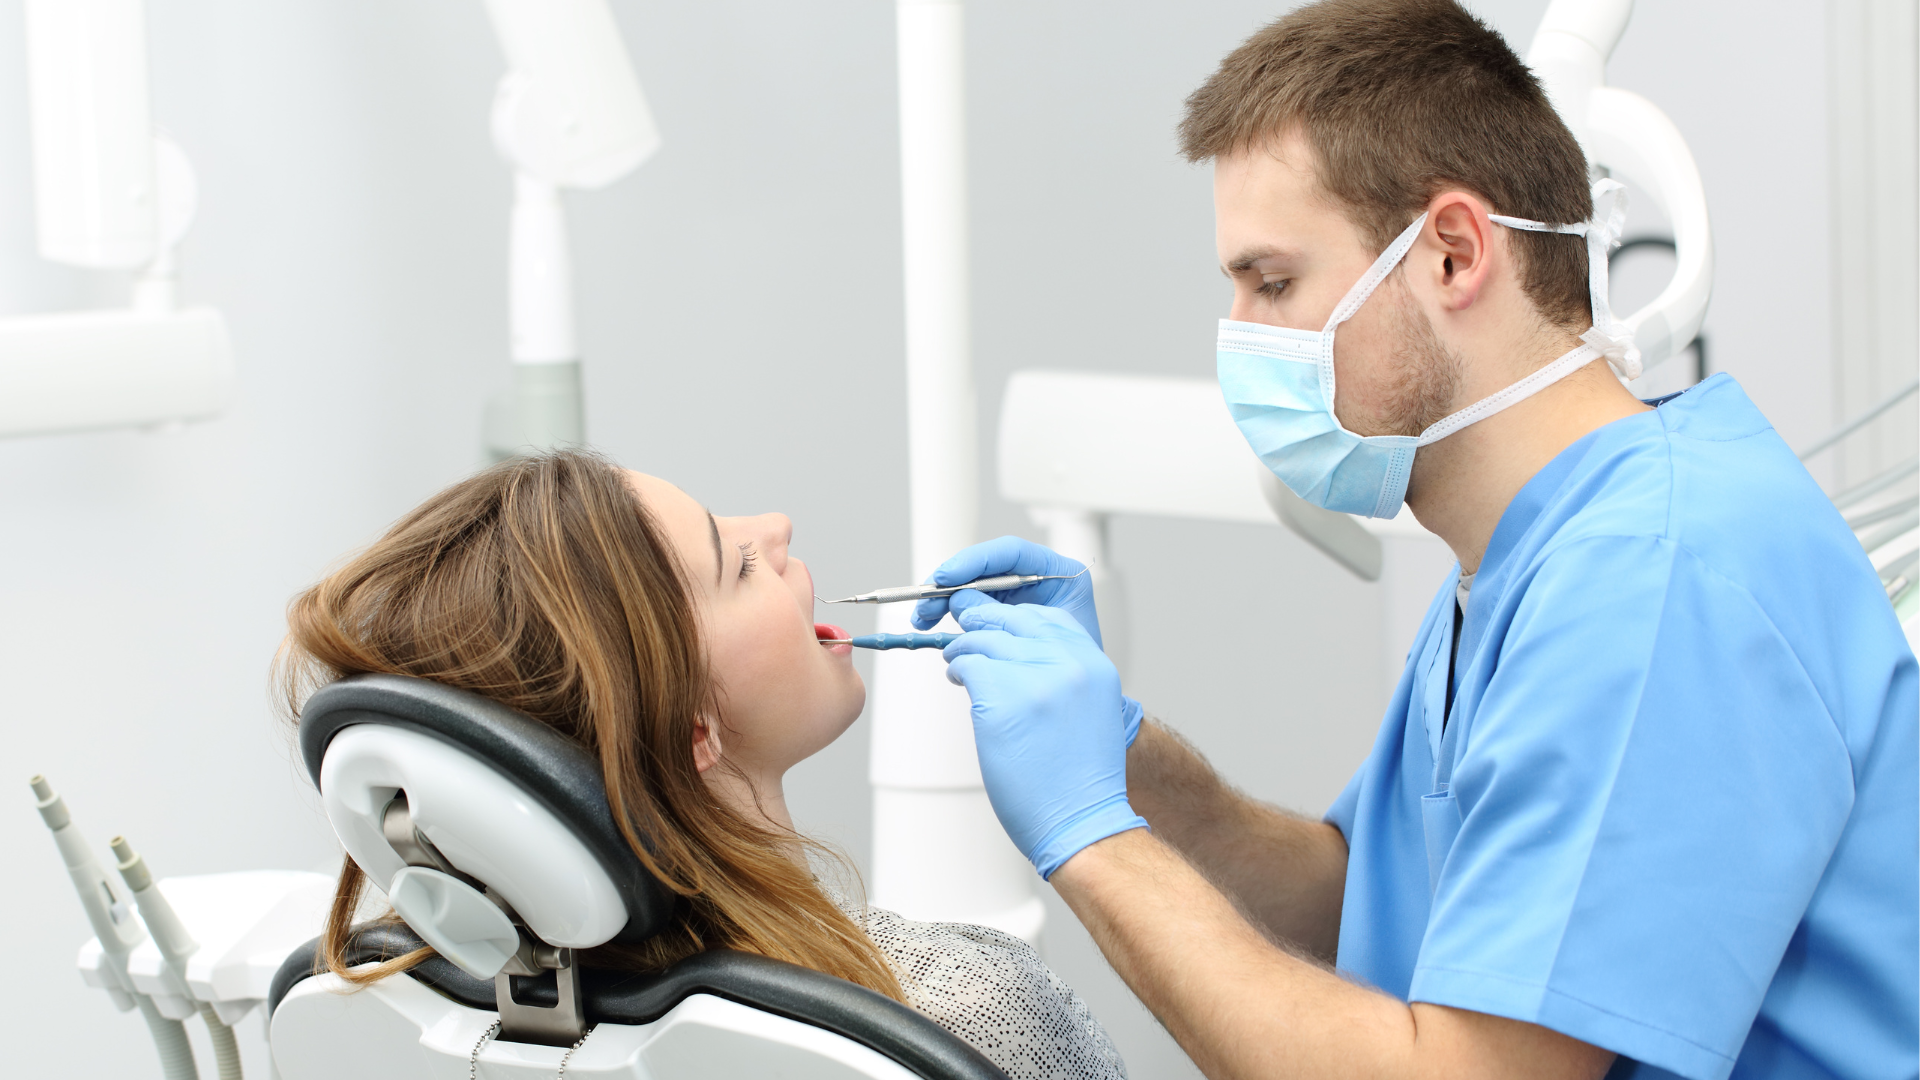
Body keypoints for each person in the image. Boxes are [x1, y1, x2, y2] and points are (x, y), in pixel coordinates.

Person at [910, 2, 1919, 1079]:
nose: (1244, 340)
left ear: (1450, 253)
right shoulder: (1531, 554)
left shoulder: (1652, 576)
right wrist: (1126, 756)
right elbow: (1371, 896)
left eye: (1275, 282)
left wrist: (1090, 838)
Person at [277, 449, 1128, 1080]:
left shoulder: (392, 1002)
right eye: (738, 563)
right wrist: (1099, 823)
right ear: (692, 733)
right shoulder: (965, 1011)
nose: (777, 528)